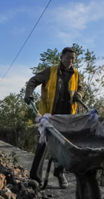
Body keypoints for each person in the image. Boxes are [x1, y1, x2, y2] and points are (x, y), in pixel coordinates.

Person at [24, 46, 84, 189]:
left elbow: (81, 88)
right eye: (68, 58)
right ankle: (35, 178)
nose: (71, 61)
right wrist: (29, 94)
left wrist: (79, 95)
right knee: (43, 144)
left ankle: (59, 174)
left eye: (73, 58)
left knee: (63, 147)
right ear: (61, 58)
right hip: (49, 116)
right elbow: (32, 81)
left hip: (67, 117)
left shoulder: (75, 73)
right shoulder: (49, 71)